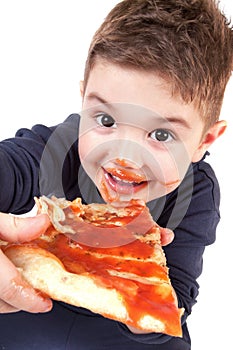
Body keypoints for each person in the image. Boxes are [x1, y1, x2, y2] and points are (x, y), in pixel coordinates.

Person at [0, 0, 232, 349]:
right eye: (105, 120)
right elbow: (8, 166)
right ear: (83, 102)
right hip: (25, 320)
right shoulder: (56, 148)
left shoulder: (197, 191)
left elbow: (176, 299)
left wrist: (140, 290)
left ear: (204, 141)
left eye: (161, 135)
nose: (124, 156)